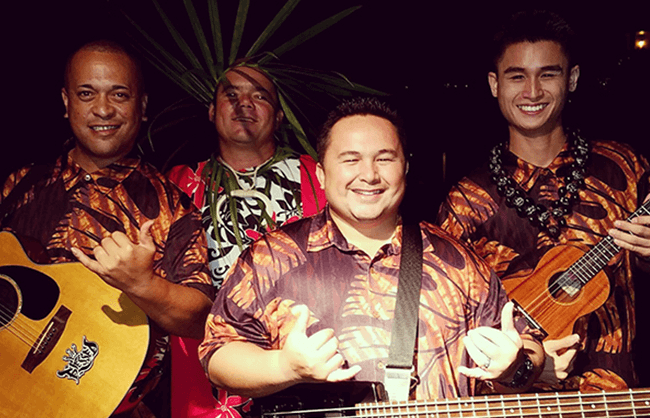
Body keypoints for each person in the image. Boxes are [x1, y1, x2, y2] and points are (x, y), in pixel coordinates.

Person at [198, 97, 544, 406]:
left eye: (384, 158)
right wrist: (284, 366)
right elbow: (217, 357)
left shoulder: (457, 260)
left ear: (405, 168)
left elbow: (530, 351)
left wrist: (515, 366)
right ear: (320, 173)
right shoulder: (272, 257)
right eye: (351, 159)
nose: (369, 174)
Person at [437, 10, 650, 391]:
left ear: (572, 80)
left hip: (617, 396)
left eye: (548, 74)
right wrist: (525, 369)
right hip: (511, 402)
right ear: (494, 84)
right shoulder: (467, 200)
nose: (532, 92)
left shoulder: (625, 170)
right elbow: (444, 321)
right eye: (517, 76)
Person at [0, 40, 214, 417]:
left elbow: (200, 319)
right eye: (86, 94)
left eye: (119, 94)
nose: (102, 109)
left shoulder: (170, 205)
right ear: (66, 102)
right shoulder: (19, 185)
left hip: (114, 405)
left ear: (142, 106)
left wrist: (143, 285)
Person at [167, 64, 325, 417]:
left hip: (304, 359)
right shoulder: (179, 183)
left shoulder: (315, 175)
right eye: (231, 94)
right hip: (209, 368)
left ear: (280, 116)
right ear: (211, 111)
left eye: (259, 95)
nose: (244, 104)